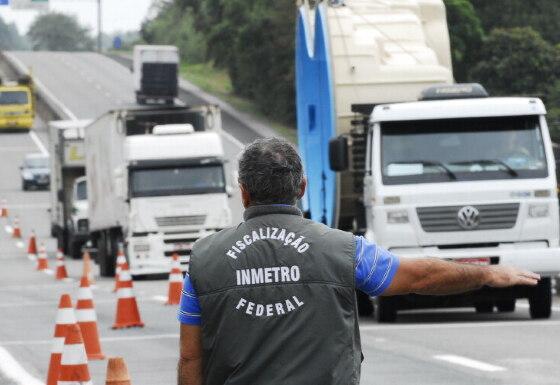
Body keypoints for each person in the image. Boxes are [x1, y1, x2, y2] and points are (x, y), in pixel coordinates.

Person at [177, 138, 540, 385]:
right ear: (301, 187)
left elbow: (191, 360)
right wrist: (487, 273)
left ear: (243, 191)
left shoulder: (204, 261)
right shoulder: (345, 250)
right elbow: (418, 277)